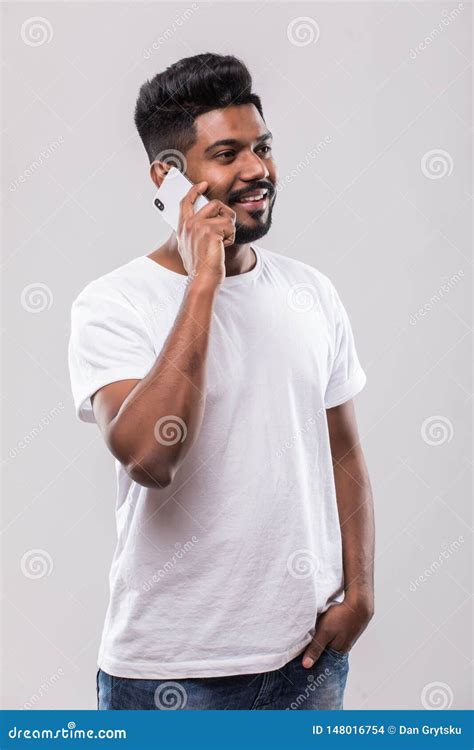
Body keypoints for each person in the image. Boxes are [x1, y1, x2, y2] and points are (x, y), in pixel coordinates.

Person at [68, 53, 375, 711]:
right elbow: (151, 457)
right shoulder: (112, 303)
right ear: (168, 177)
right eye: (229, 153)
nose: (258, 169)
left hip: (308, 664)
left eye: (262, 147)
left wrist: (361, 594)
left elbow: (343, 449)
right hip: (167, 679)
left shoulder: (311, 293)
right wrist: (203, 278)